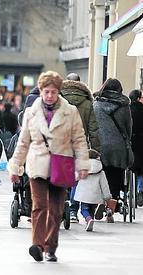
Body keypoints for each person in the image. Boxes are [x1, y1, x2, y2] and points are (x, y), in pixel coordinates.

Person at [8, 71, 89, 262]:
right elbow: (23, 142)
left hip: (61, 164)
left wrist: (83, 164)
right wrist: (15, 167)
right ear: (41, 92)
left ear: (58, 91)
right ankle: (37, 245)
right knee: (39, 206)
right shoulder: (31, 112)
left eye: (53, 92)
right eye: (46, 92)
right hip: (37, 164)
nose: (50, 95)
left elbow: (79, 140)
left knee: (56, 210)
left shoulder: (71, 112)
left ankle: (50, 246)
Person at [60, 73, 101, 223]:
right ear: (80, 83)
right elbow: (93, 129)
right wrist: (96, 150)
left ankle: (62, 207)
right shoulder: (87, 103)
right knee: (78, 179)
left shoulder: (59, 99)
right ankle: (73, 210)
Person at [93, 78, 133, 223]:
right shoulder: (124, 105)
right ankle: (111, 206)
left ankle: (100, 202)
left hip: (100, 146)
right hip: (118, 147)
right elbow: (128, 127)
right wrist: (127, 141)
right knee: (116, 176)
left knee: (100, 175)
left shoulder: (96, 104)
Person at [129, 89, 143, 207]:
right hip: (141, 142)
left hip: (129, 142)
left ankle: (128, 191)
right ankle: (140, 189)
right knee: (141, 170)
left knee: (130, 167)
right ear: (139, 98)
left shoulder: (126, 109)